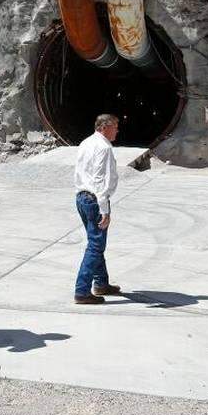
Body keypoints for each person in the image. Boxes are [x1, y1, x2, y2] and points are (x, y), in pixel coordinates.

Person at [73, 113, 123, 304]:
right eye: (115, 127)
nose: (117, 131)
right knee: (95, 245)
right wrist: (104, 209)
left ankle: (101, 283)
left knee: (96, 242)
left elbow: (79, 172)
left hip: (82, 197)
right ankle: (82, 291)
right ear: (104, 127)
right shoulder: (103, 147)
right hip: (95, 200)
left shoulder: (86, 142)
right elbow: (99, 178)